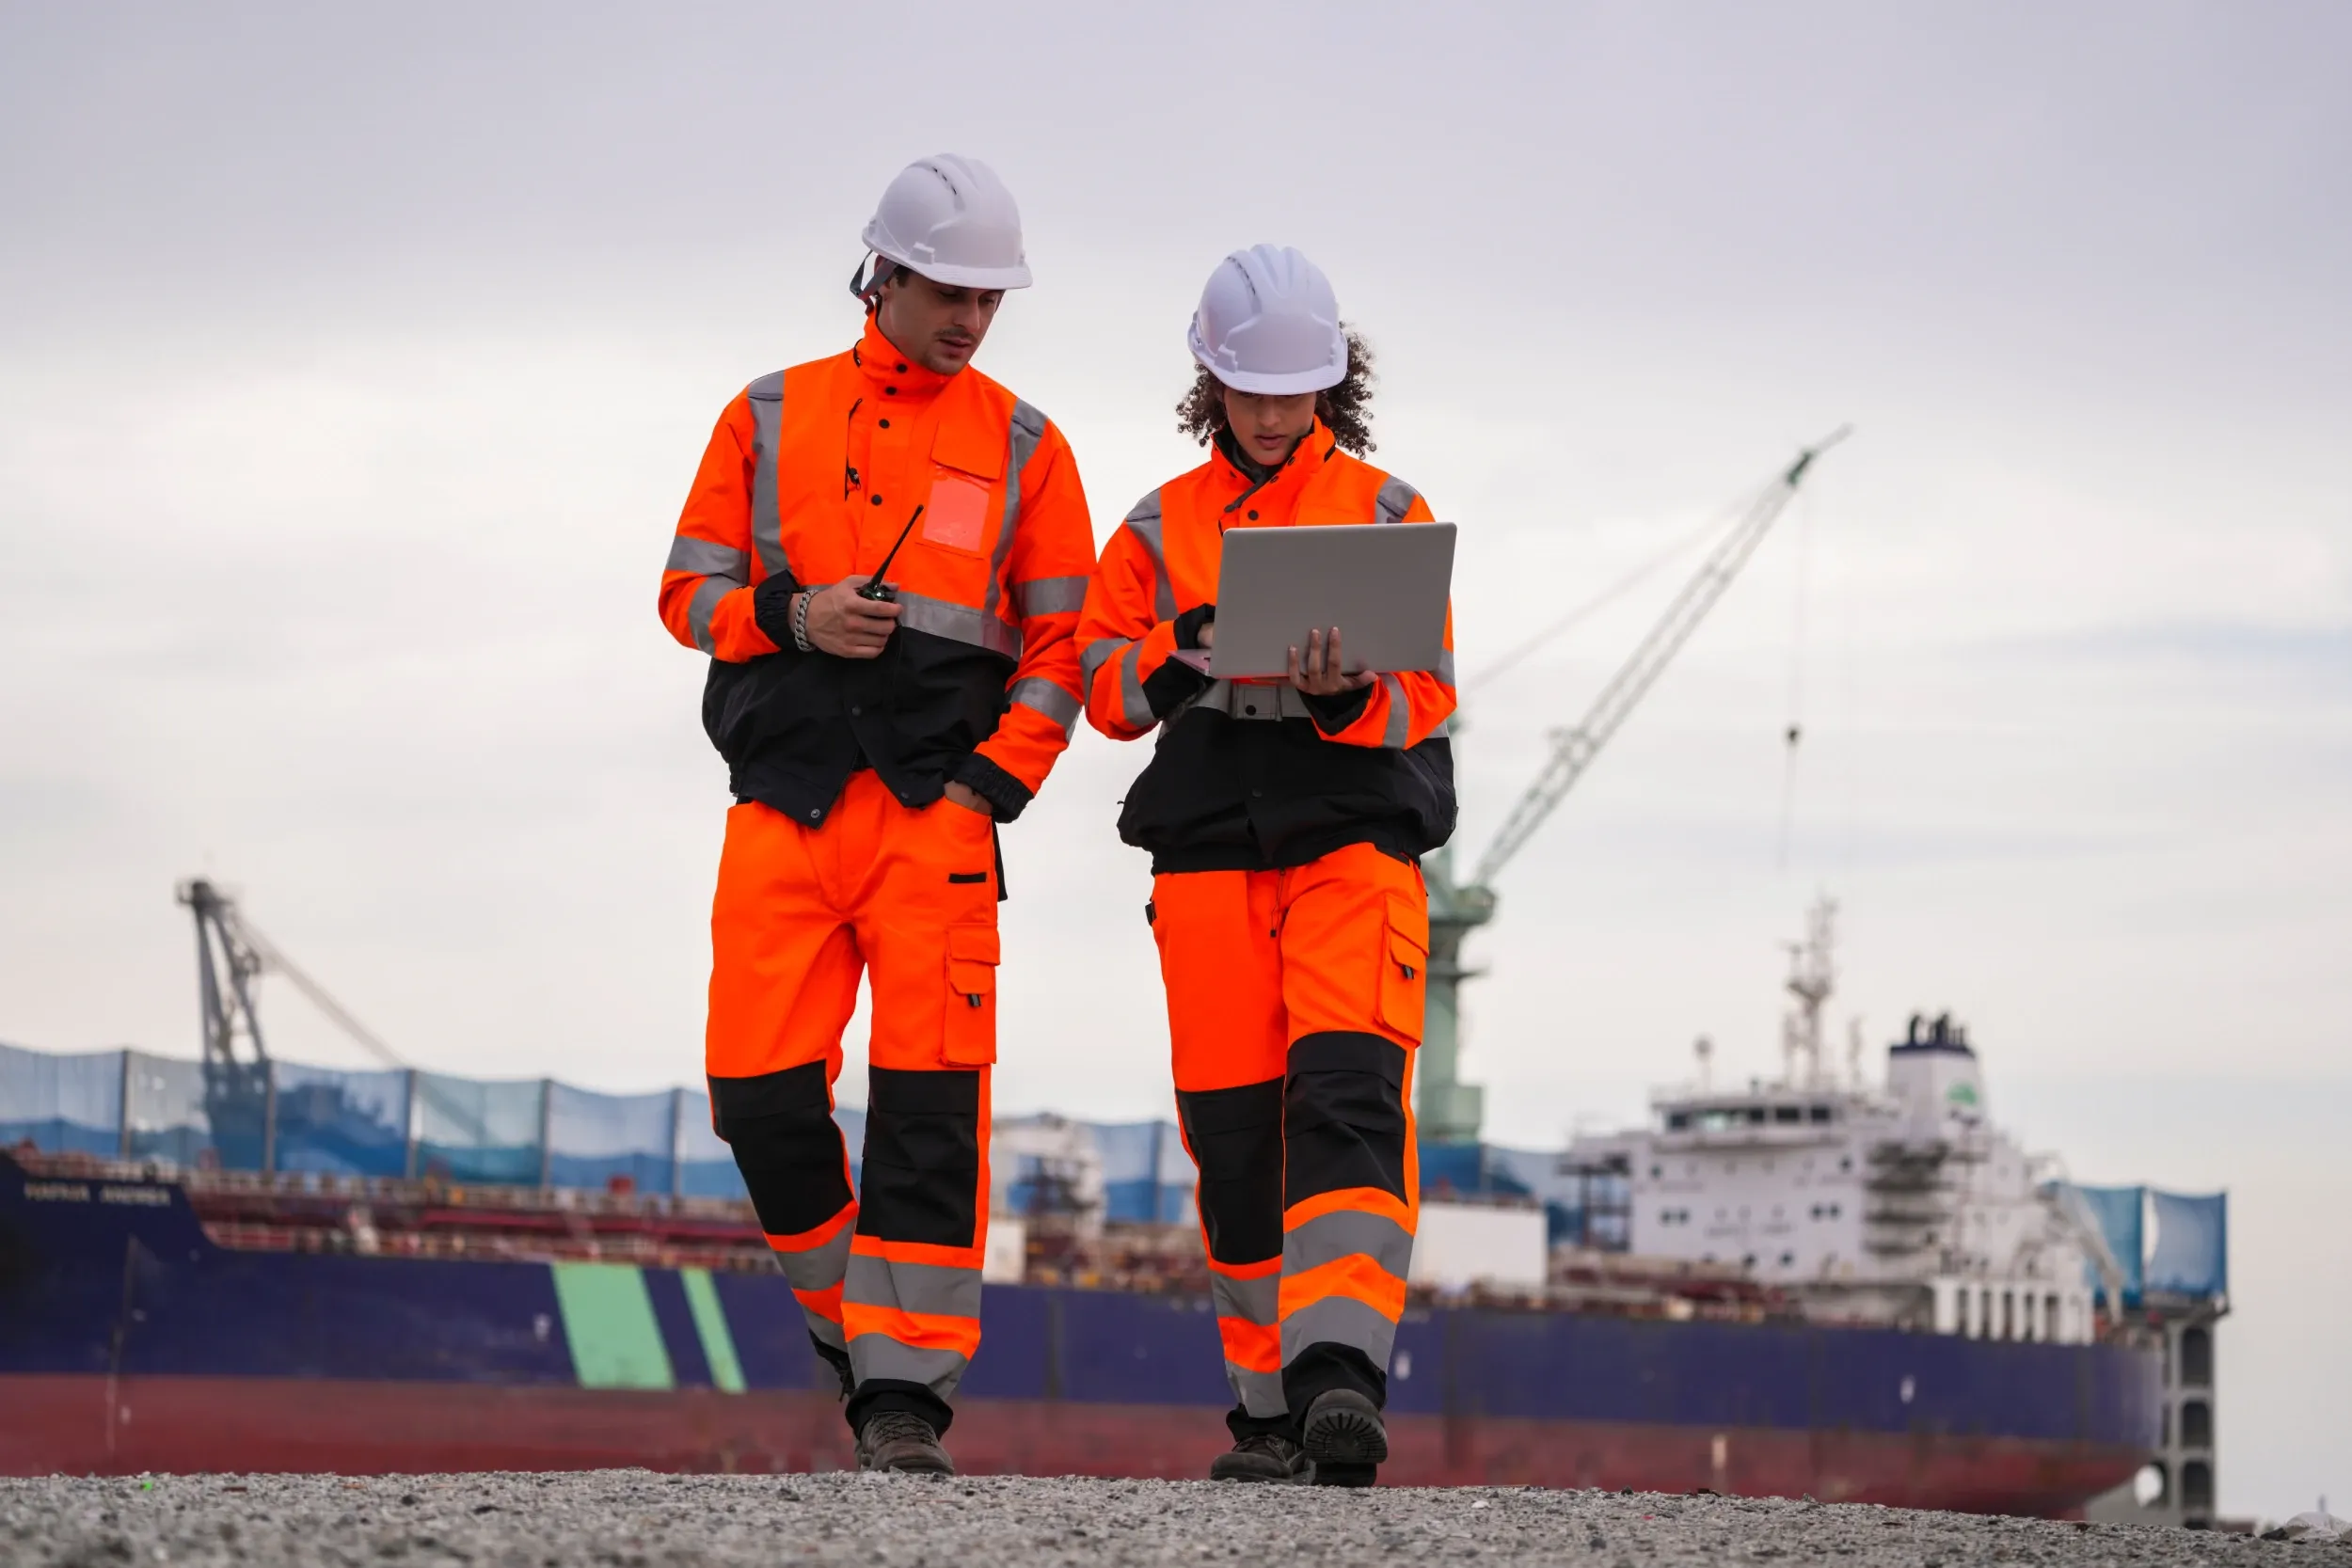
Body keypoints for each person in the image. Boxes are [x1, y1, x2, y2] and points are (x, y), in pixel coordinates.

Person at [657, 154, 1095, 1475]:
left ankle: (902, 1397)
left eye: (990, 300)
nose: (971, 319)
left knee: (929, 1116)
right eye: (950, 291)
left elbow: (1064, 648)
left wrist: (989, 787)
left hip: (934, 824)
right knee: (753, 1096)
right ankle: (856, 1323)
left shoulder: (1028, 447)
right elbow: (686, 593)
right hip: (783, 807)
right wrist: (793, 614)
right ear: (884, 275)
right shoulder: (767, 414)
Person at [1075, 245, 1457, 1486]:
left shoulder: (1390, 514)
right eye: (1254, 390)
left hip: (1354, 838)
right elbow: (1100, 689)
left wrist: (1347, 692)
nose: (1277, 414)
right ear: (1212, 380)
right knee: (1234, 1139)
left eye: (1299, 391)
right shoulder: (1152, 527)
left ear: (1333, 387)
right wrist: (1177, 651)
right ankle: (1266, 1414)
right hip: (1208, 852)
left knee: (1347, 1100)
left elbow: (1431, 693)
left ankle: (1340, 1376)